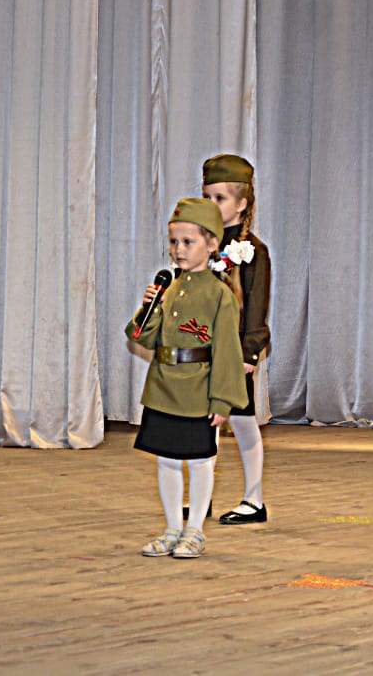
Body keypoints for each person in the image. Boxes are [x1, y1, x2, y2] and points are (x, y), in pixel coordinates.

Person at [127, 198, 247, 559]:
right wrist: (149, 307)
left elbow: (227, 352)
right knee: (166, 460)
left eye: (188, 242)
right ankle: (171, 528)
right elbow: (141, 337)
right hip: (163, 386)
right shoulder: (168, 288)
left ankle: (194, 530)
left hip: (197, 389)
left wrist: (222, 399)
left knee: (199, 461)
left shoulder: (219, 295)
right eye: (174, 242)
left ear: (211, 245)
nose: (178, 250)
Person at [201, 153, 273, 526]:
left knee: (242, 422)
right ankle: (202, 496)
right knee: (206, 424)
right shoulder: (202, 246)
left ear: (242, 204)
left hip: (235, 354)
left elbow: (257, 307)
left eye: (220, 198)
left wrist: (249, 353)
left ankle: (254, 500)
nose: (212, 204)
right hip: (204, 350)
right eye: (207, 197)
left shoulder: (253, 251)